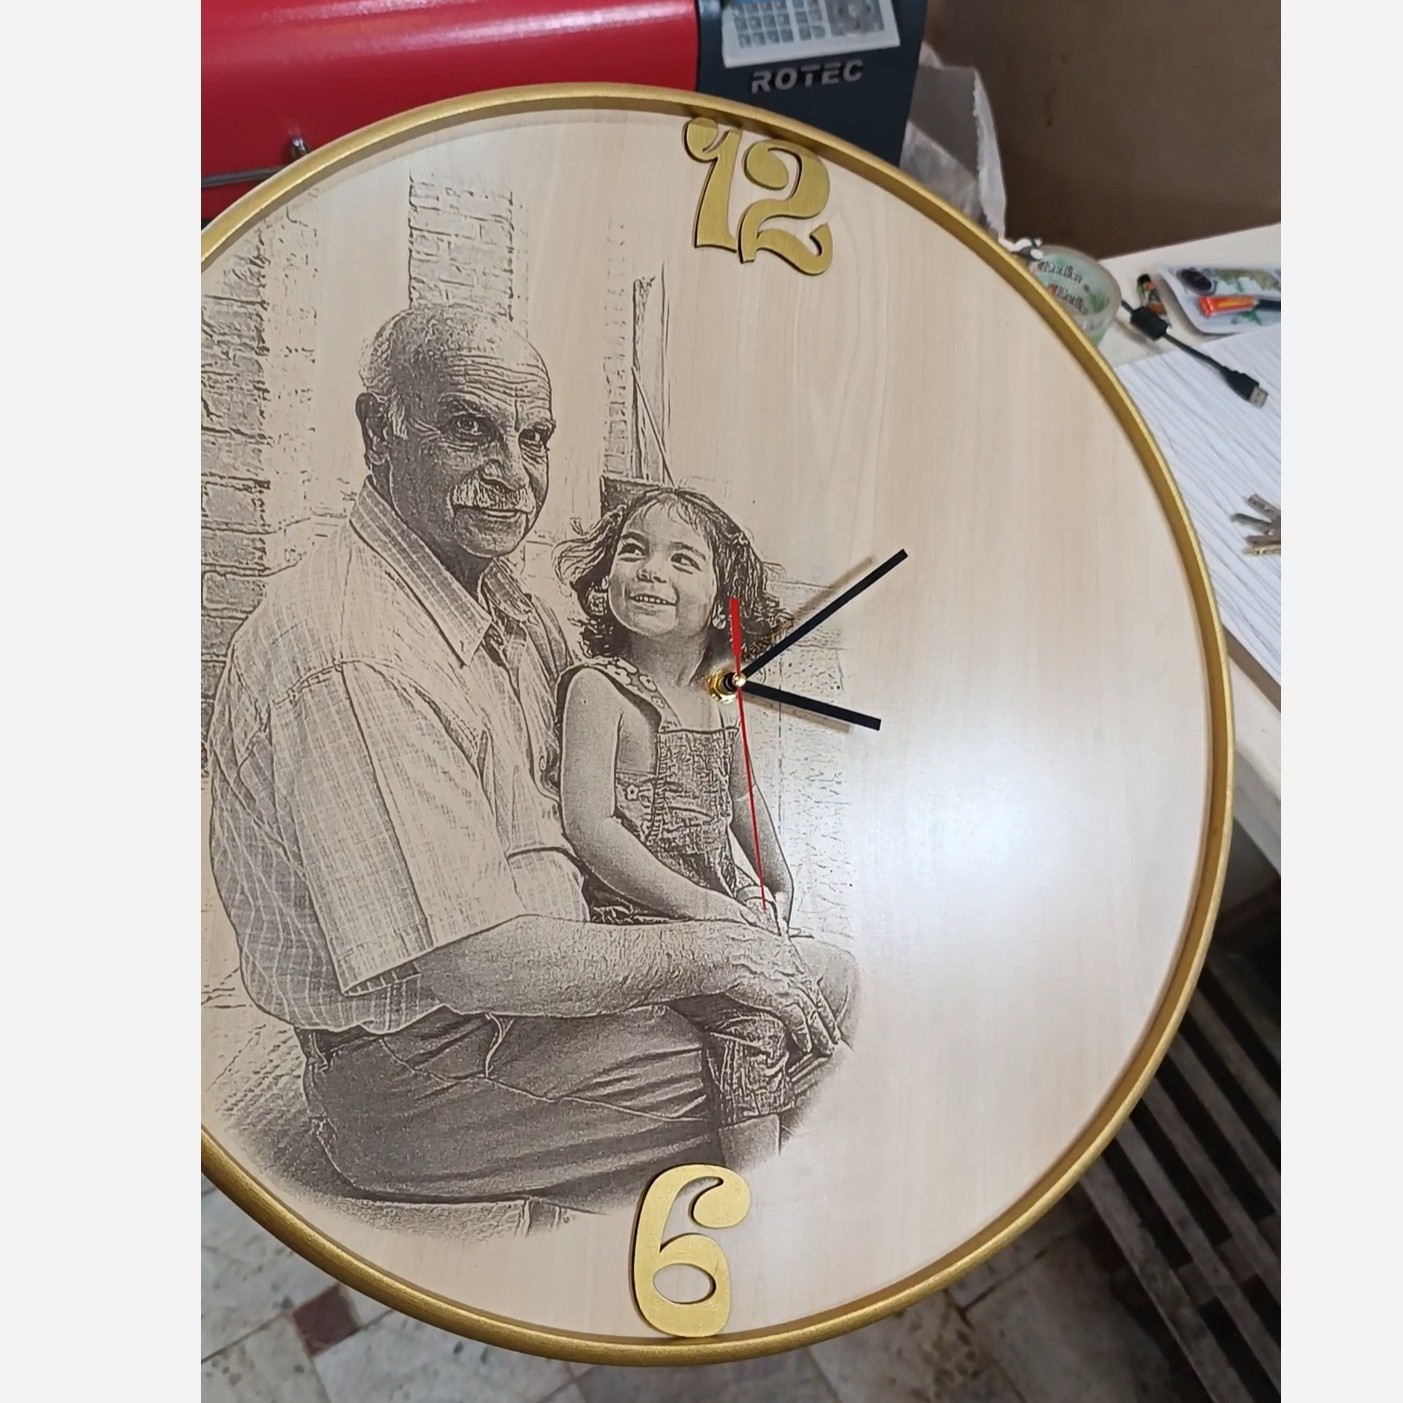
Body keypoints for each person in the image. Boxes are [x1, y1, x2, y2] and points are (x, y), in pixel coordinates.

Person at [205, 303, 857, 1210]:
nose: (511, 474)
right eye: (469, 428)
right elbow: (476, 963)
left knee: (804, 991)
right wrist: (715, 951)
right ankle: (756, 1225)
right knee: (819, 1028)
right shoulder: (355, 654)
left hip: (520, 1008)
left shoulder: (490, 599)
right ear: (379, 432)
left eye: (534, 438)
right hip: (431, 1077)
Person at [554, 486, 807, 1171]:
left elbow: (741, 792)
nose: (649, 570)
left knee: (803, 984)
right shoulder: (599, 690)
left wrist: (775, 876)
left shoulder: (717, 698)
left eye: (681, 559)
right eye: (632, 550)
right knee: (754, 1017)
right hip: (635, 917)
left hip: (712, 904)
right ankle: (752, 1186)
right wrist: (700, 907)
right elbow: (590, 826)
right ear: (605, 574)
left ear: (723, 603)